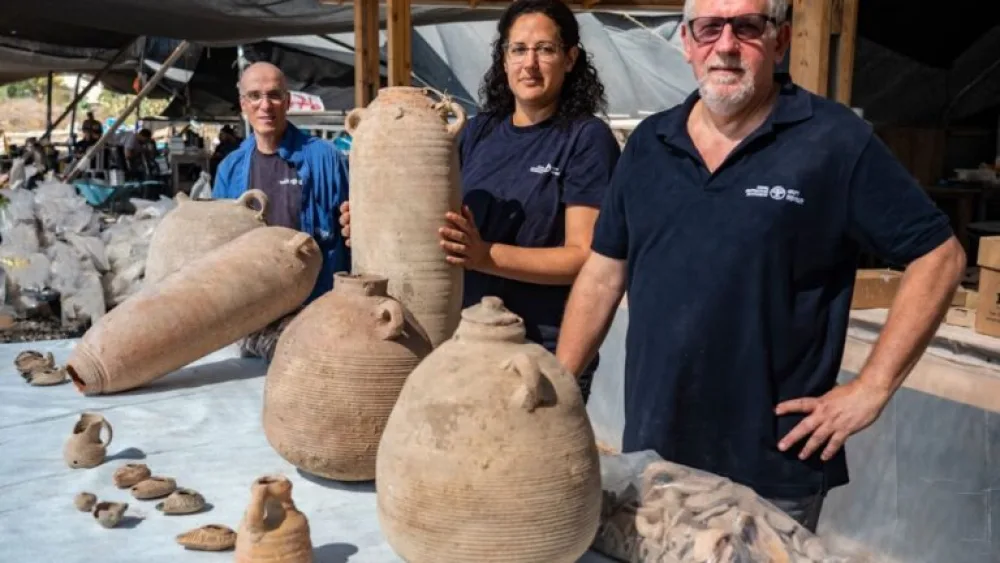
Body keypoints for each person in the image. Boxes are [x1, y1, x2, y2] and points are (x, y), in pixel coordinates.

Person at [554, 0, 966, 532]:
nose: (725, 45)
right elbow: (604, 272)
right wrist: (561, 384)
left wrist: (872, 388)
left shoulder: (834, 141)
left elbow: (939, 255)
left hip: (773, 469)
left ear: (781, 39)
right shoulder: (649, 146)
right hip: (656, 454)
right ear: (686, 42)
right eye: (709, 28)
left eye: (747, 27)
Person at [339, 0, 620, 402]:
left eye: (546, 49)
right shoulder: (478, 133)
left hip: (540, 350)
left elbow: (585, 257)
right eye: (518, 49)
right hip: (463, 341)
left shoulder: (586, 139)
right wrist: (374, 221)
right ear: (503, 60)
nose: (530, 63)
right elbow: (432, 218)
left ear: (570, 58)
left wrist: (485, 255)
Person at [213, 61, 350, 361]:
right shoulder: (231, 168)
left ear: (288, 101)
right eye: (255, 96)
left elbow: (355, 233)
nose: (265, 105)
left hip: (315, 312)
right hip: (254, 316)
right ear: (243, 104)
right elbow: (218, 249)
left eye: (274, 95)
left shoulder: (325, 159)